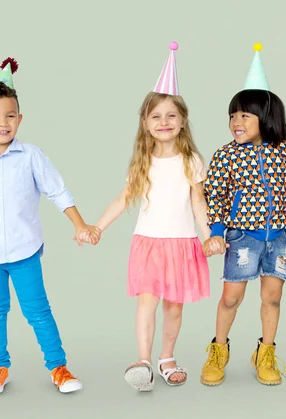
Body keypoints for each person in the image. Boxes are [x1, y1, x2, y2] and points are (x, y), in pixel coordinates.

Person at [0, 58, 99, 394]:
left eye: (9, 116)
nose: (2, 123)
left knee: (37, 310)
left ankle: (59, 367)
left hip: (24, 251)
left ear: (19, 119)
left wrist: (80, 224)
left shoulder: (32, 156)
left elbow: (58, 191)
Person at [82, 43, 210, 391]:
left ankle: (166, 357)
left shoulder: (192, 160)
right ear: (145, 122)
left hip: (183, 243)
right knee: (146, 305)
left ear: (183, 120)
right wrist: (98, 227)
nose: (164, 122)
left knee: (174, 308)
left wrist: (209, 233)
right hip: (149, 243)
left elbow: (198, 203)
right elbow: (123, 199)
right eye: (156, 116)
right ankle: (142, 360)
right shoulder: (142, 161)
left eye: (171, 115)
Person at [201, 44, 286, 387]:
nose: (236, 122)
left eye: (244, 115)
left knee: (272, 297)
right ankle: (219, 350)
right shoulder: (225, 155)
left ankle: (265, 353)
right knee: (231, 298)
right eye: (233, 115)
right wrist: (216, 229)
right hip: (242, 237)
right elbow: (215, 196)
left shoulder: (283, 151)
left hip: (277, 238)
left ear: (266, 118)